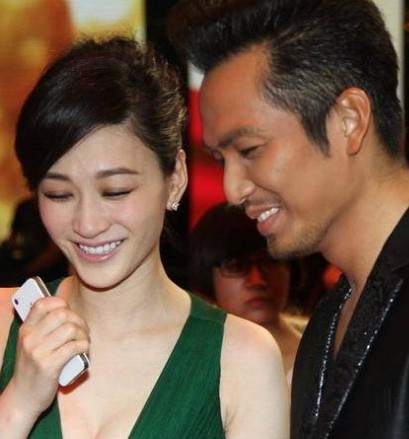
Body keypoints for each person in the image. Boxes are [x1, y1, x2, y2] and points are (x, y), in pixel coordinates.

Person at [0, 35, 289, 438]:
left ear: (175, 179)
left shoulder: (243, 360)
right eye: (59, 194)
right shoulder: (5, 324)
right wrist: (18, 405)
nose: (87, 223)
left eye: (116, 191)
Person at [167, 0, 409, 438]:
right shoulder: (325, 326)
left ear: (349, 120)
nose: (232, 190)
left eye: (250, 150)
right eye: (221, 159)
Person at [189, 202, 303, 383]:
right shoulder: (189, 360)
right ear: (208, 276)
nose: (257, 281)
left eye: (269, 262)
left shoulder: (324, 349)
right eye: (236, 266)